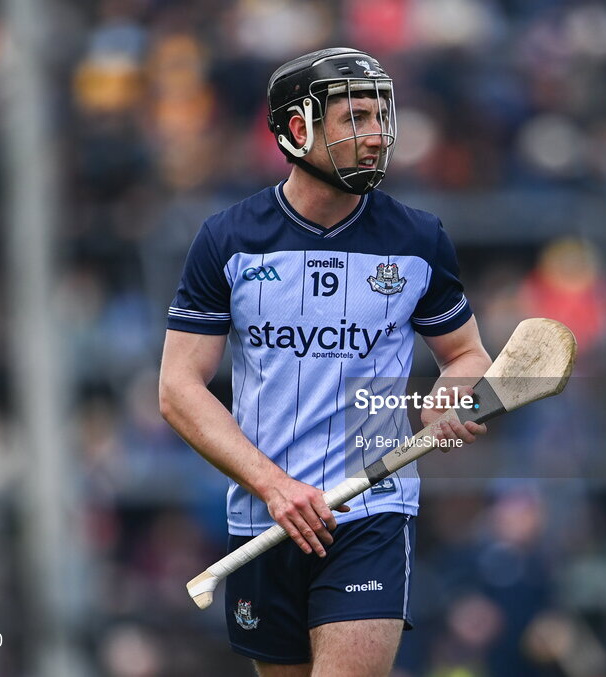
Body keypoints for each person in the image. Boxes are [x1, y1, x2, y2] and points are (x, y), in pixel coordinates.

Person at [158, 47, 491, 677]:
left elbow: (467, 355)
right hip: (264, 517)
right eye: (355, 118)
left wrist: (454, 392)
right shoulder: (228, 240)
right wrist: (273, 486)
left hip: (370, 511)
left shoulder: (418, 239)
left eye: (379, 117)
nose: (376, 137)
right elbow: (178, 389)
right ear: (296, 129)